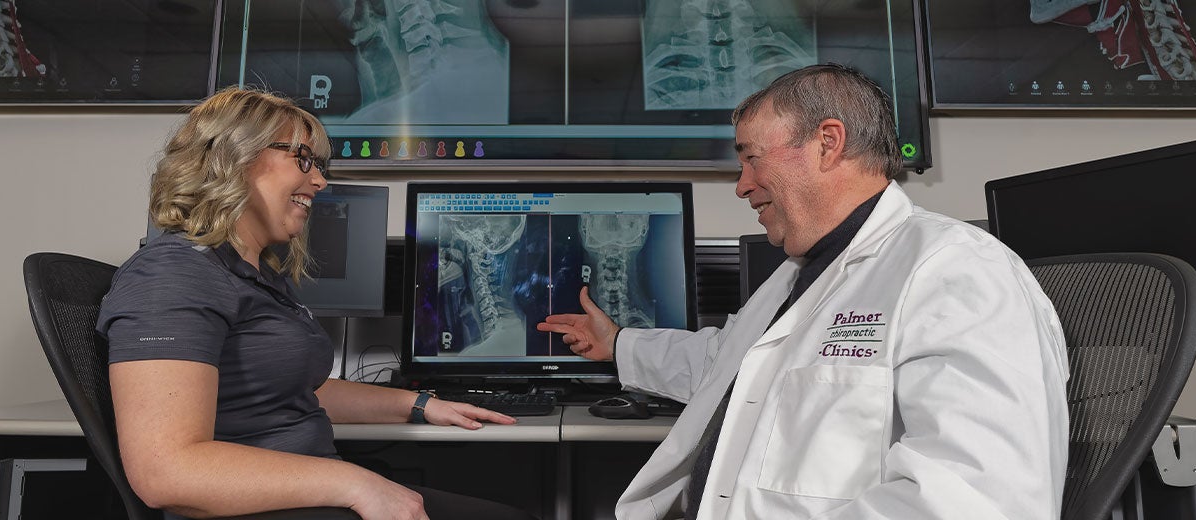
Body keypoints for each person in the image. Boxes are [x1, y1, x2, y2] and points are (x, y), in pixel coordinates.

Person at [539, 63, 1070, 520]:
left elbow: (977, 501)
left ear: (827, 143)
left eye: (752, 158)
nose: (742, 183)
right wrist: (619, 343)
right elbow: (727, 367)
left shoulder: (955, 270)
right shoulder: (798, 274)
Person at [97, 87, 533, 520]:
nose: (320, 181)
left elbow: (298, 388)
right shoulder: (171, 275)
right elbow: (166, 472)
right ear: (235, 158)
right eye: (303, 159)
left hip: (308, 493)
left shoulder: (253, 275)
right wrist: (356, 483)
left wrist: (418, 404)